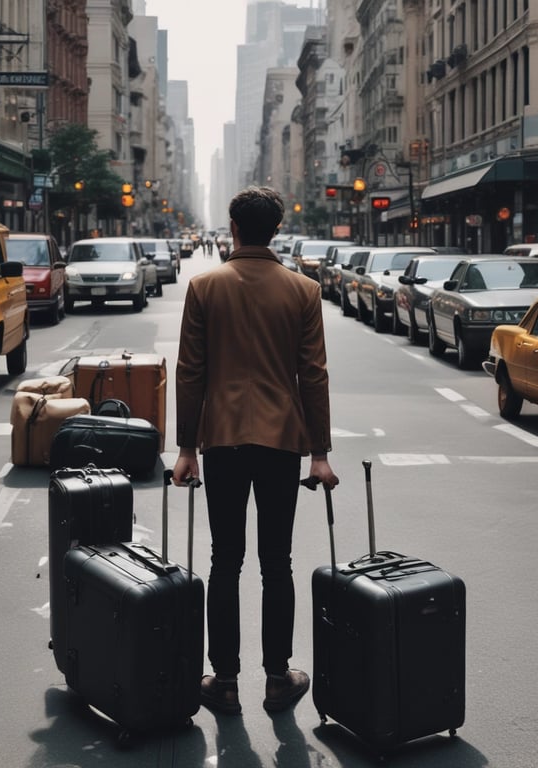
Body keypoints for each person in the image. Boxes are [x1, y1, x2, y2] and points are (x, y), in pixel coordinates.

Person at [173, 185, 338, 716]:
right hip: (280, 442)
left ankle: (222, 681)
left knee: (225, 561)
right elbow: (312, 375)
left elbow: (190, 372)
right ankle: (276, 678)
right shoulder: (302, 290)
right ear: (277, 230)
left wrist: (185, 448)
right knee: (277, 563)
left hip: (220, 439)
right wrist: (319, 452)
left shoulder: (203, 286)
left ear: (234, 227)